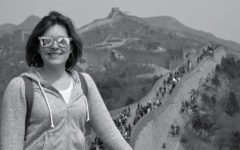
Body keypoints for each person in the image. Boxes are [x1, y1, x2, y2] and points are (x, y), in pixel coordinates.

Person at [0, 11, 132, 150]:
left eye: (62, 41)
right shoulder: (21, 87)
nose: (55, 46)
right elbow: (10, 145)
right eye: (47, 41)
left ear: (71, 47)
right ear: (38, 47)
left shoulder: (84, 83)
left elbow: (111, 135)